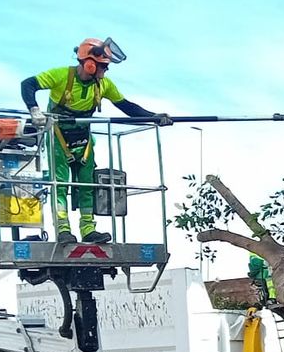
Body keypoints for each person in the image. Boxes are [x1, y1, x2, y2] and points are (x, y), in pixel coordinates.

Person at [20, 38, 171, 247]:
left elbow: (127, 107)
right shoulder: (62, 76)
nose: (106, 71)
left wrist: (154, 116)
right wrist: (34, 109)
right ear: (90, 64)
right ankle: (63, 230)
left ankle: (88, 229)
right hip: (58, 137)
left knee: (87, 184)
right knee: (60, 184)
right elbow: (28, 84)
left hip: (84, 140)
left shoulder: (103, 85)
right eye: (104, 67)